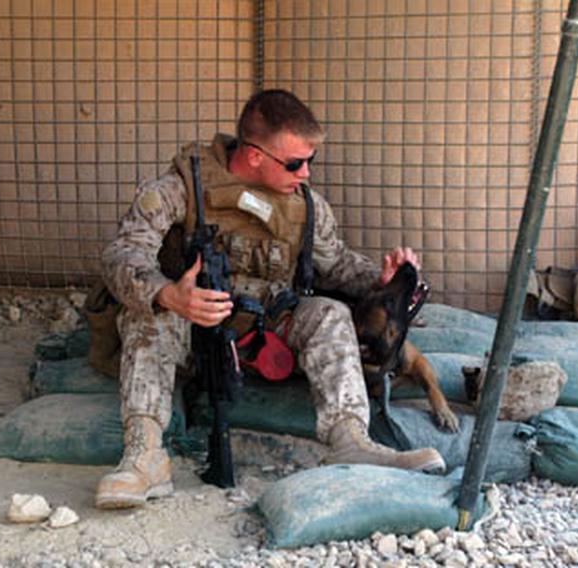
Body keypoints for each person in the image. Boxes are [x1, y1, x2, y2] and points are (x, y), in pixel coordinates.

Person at [95, 89, 445, 509]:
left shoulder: (307, 207)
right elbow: (122, 254)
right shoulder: (182, 187)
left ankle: (350, 440)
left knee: (330, 313)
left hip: (267, 332)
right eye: (295, 163)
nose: (306, 173)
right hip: (193, 330)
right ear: (256, 155)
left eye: (310, 161)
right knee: (147, 315)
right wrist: (168, 294)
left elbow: (335, 265)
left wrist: (382, 279)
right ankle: (144, 455)